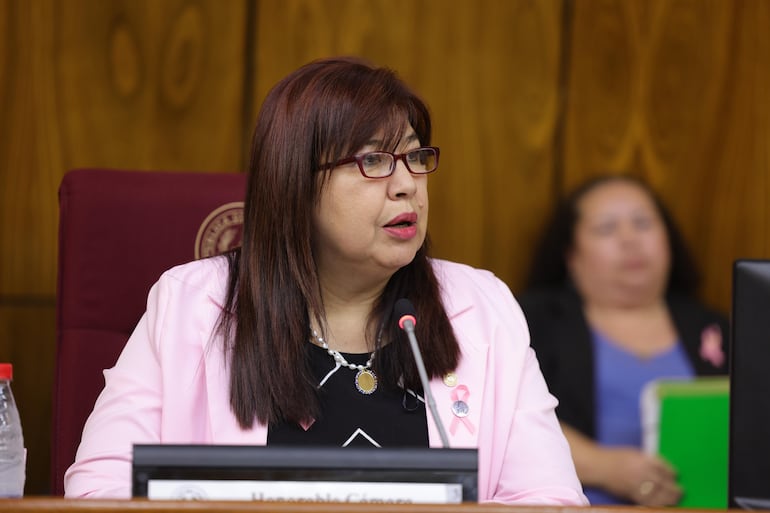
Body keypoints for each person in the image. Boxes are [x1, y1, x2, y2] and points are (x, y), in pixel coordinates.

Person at [64, 56, 586, 504]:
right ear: (295, 182)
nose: (407, 185)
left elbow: (550, 501)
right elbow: (97, 493)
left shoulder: (482, 307)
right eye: (374, 160)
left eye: (415, 157)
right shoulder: (189, 306)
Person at [518, 174, 728, 506]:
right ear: (572, 256)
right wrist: (607, 468)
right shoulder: (530, 321)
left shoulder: (713, 327)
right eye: (606, 228)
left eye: (643, 224)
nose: (630, 239)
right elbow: (507, 419)